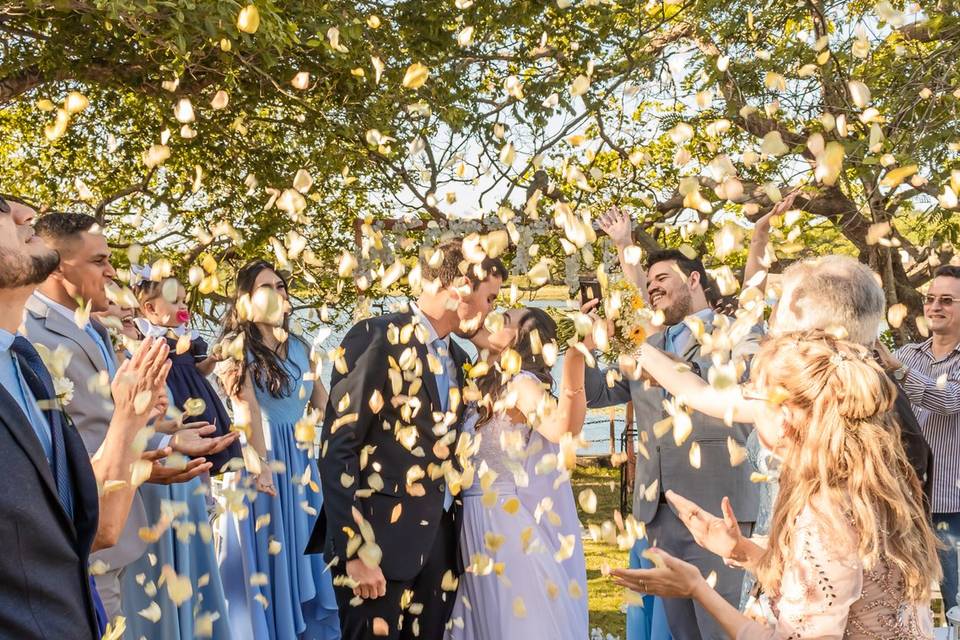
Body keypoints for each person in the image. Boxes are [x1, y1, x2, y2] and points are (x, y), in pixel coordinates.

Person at [611, 331, 940, 639]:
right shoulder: (876, 480)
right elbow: (839, 584)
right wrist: (743, 552)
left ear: (785, 417)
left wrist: (696, 588)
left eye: (752, 393)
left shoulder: (824, 513)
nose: (746, 406)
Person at [24, 211, 219, 623]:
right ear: (58, 266)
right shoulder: (29, 333)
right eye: (99, 261)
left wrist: (164, 444)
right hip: (83, 531)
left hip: (123, 527)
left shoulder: (94, 326)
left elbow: (107, 417)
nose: (112, 271)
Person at [306, 240, 505, 640]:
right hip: (376, 547)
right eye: (490, 298)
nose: (491, 312)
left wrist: (491, 352)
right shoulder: (376, 336)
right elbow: (337, 446)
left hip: (439, 552)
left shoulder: (463, 360)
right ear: (462, 286)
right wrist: (356, 549)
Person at [0, 194, 171, 638]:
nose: (22, 216)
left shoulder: (25, 363)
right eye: (1, 208)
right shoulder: (32, 344)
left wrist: (137, 422)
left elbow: (81, 516)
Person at [584, 248, 760, 640]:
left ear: (694, 279)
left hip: (718, 509)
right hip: (657, 513)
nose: (652, 288)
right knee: (677, 633)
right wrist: (588, 348)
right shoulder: (644, 343)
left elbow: (716, 381)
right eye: (648, 284)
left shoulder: (732, 330)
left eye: (661, 278)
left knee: (721, 629)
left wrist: (634, 344)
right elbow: (596, 394)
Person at [446, 305, 590, 640]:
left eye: (505, 320)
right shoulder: (484, 382)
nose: (494, 317)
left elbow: (560, 427)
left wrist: (576, 359)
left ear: (522, 341)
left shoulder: (522, 384)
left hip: (504, 530)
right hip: (474, 526)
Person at [216, 260, 340, 639]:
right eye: (266, 286)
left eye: (281, 286)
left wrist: (310, 414)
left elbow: (322, 405)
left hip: (301, 464)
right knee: (269, 560)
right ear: (245, 300)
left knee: (308, 553)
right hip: (261, 460)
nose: (278, 292)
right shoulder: (235, 350)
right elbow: (245, 410)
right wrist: (261, 465)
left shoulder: (301, 347)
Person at [121, 272, 241, 640]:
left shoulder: (186, 339)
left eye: (186, 300)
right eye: (176, 301)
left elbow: (199, 368)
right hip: (173, 413)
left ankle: (204, 496)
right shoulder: (144, 340)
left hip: (194, 406)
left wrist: (213, 360)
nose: (184, 307)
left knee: (200, 465)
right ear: (150, 309)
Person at [876, 264, 960, 612]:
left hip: (949, 506)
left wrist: (899, 372)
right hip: (901, 501)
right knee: (899, 601)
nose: (935, 307)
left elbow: (949, 400)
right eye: (930, 299)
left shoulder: (903, 363)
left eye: (946, 300)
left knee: (956, 602)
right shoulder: (909, 354)